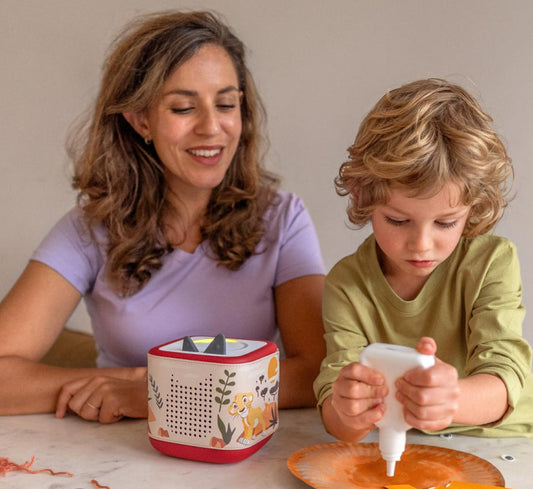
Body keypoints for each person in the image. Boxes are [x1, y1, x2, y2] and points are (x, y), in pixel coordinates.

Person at [0, 10, 326, 423]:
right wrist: (130, 381)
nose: (212, 127)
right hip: (118, 458)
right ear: (140, 120)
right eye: (183, 108)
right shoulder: (87, 231)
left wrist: (158, 392)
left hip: (240, 457)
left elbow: (317, 371)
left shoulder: (283, 220)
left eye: (226, 103)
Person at [314, 78, 533, 441]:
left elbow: (505, 375)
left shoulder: (491, 261)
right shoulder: (347, 284)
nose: (421, 245)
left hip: (503, 443)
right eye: (398, 221)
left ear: (473, 208)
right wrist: (347, 409)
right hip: (402, 446)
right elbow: (335, 409)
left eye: (446, 223)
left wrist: (453, 399)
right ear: (362, 196)